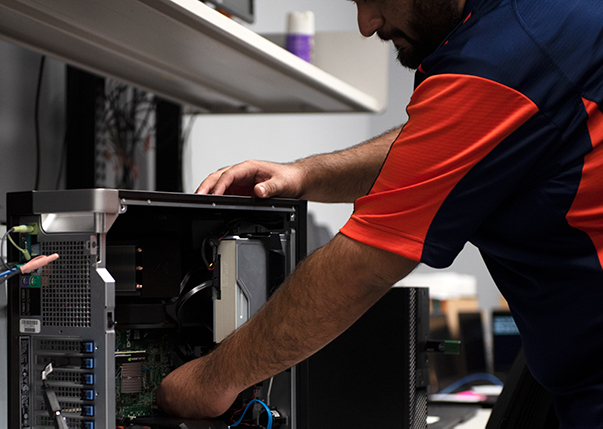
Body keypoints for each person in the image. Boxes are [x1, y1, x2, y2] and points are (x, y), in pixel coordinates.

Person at [156, 0, 603, 427]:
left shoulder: (512, 48)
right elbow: (435, 144)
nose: (367, 23)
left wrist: (212, 380)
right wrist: (306, 175)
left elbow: (364, 265)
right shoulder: (521, 29)